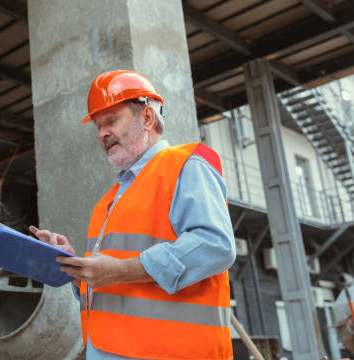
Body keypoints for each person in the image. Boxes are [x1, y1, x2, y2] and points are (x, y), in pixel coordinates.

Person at [30, 70, 236, 360]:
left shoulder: (185, 165)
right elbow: (112, 283)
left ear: (147, 118)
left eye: (111, 119)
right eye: (98, 126)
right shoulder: (109, 201)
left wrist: (121, 270)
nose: (102, 133)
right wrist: (77, 269)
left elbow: (216, 245)